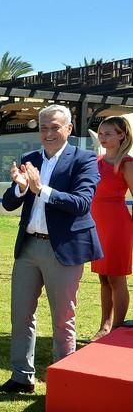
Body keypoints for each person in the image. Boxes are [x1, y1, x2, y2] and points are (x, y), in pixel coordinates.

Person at [0, 104, 102, 394]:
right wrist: (20, 187)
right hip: (29, 247)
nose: (48, 133)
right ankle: (21, 377)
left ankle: (63, 381)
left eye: (55, 127)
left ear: (68, 129)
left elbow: (82, 203)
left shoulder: (85, 159)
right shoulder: (29, 158)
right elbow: (8, 203)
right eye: (43, 127)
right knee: (21, 314)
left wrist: (42, 190)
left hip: (63, 249)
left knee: (63, 317)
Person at [89, 116, 133, 340]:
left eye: (108, 133)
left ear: (121, 135)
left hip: (117, 225)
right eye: (101, 133)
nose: (103, 137)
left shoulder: (127, 163)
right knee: (103, 277)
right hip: (96, 224)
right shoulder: (94, 161)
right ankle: (105, 326)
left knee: (117, 277)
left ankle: (116, 329)